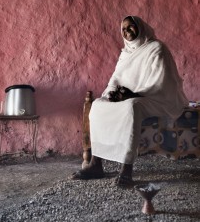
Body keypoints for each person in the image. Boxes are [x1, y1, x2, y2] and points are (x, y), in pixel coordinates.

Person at [72, 16, 188, 187]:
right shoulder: (125, 53)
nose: (127, 32)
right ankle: (96, 164)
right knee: (97, 106)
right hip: (127, 96)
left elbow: (160, 82)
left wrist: (132, 94)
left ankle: (126, 170)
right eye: (124, 29)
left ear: (140, 27)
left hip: (155, 98)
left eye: (131, 27)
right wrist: (111, 95)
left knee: (131, 107)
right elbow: (115, 80)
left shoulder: (156, 48)